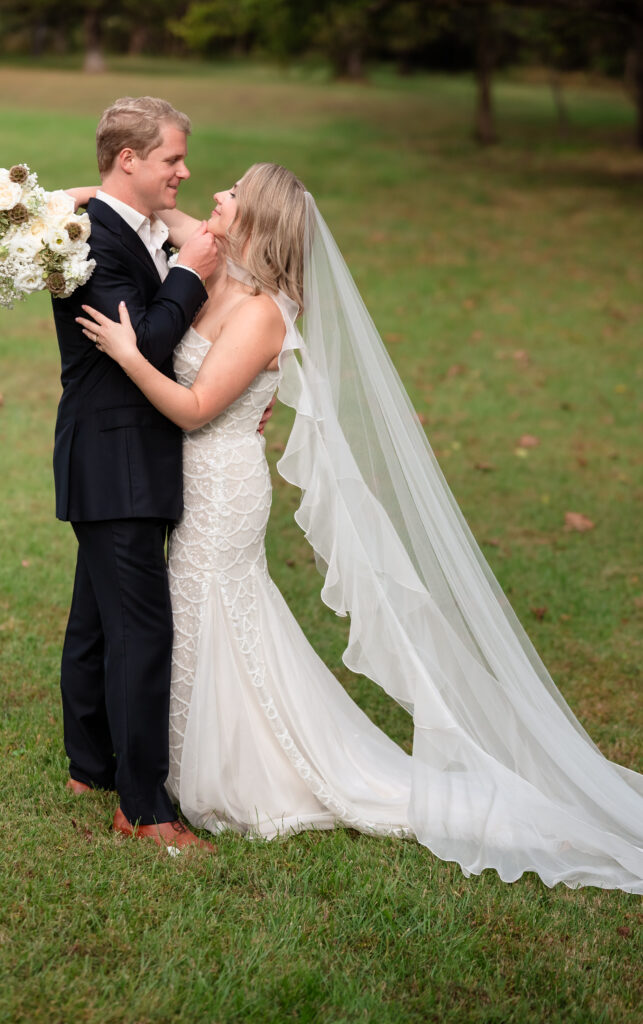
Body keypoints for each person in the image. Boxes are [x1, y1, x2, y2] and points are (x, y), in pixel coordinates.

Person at [77, 163, 643, 892]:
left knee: (209, 607)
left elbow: (194, 410)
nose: (212, 197)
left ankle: (235, 768)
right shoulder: (222, 263)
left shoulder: (261, 312)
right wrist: (67, 200)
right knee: (192, 615)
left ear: (253, 222)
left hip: (222, 484)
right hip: (189, 478)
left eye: (231, 196)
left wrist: (127, 354)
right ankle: (175, 758)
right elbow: (143, 209)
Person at [52, 96, 220, 853]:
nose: (183, 171)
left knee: (96, 618)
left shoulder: (117, 223)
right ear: (129, 160)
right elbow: (142, 345)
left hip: (114, 454)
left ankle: (88, 763)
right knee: (141, 631)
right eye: (171, 159)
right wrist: (189, 274)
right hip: (119, 456)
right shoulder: (94, 238)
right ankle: (145, 807)